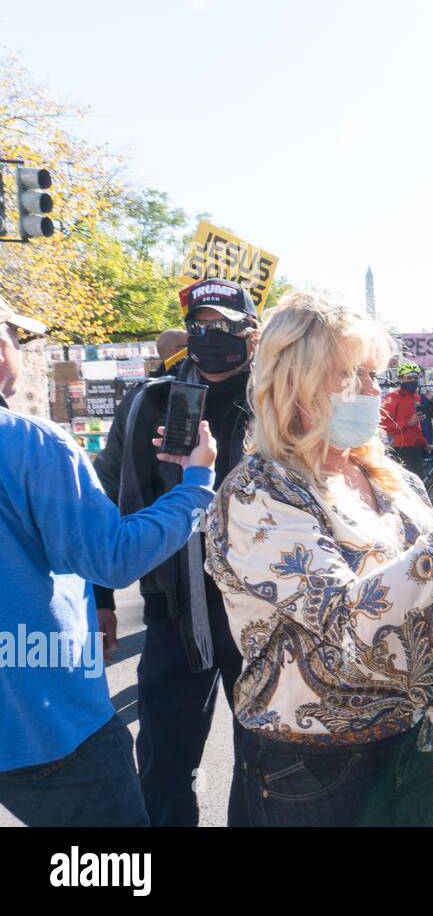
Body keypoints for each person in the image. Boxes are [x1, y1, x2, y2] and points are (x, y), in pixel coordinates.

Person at [204, 292, 433, 826]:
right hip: (315, 769)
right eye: (351, 374)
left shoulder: (388, 477)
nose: (373, 389)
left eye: (373, 374)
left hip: (410, 740)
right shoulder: (257, 493)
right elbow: (346, 619)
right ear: (295, 381)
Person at [1, 291, 220, 826]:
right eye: (15, 336)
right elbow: (111, 557)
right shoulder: (30, 443)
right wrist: (196, 484)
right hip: (47, 724)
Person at [92, 277, 260, 827]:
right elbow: (106, 496)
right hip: (174, 608)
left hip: (262, 611)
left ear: (250, 333)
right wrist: (100, 598)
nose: (211, 336)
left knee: (265, 760)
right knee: (163, 763)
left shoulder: (281, 399)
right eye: (200, 325)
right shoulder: (150, 401)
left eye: (223, 326)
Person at [380, 361, 429, 477]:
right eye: (409, 378)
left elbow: (416, 426)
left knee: (419, 484)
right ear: (401, 379)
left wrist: (424, 443)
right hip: (400, 449)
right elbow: (383, 424)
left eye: (415, 378)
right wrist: (407, 423)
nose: (412, 381)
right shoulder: (392, 397)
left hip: (415, 447)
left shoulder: (417, 397)